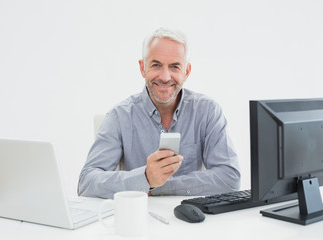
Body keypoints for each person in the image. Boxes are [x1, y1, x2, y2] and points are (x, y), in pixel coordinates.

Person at [78, 28, 240, 199]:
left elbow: (230, 178)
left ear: (186, 71)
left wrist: (155, 185)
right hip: (140, 218)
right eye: (156, 65)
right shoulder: (119, 117)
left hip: (193, 222)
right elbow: (86, 183)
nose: (165, 76)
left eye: (174, 67)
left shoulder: (207, 111)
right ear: (143, 68)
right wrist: (146, 177)